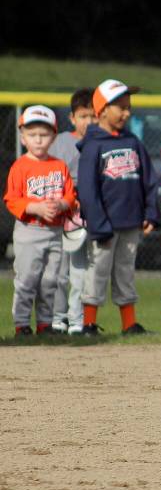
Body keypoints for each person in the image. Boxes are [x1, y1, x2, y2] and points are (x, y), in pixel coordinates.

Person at [77, 79, 159, 336]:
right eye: (120, 107)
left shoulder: (133, 141)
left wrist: (150, 212)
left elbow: (149, 179)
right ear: (101, 110)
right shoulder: (93, 145)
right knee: (97, 272)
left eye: (128, 106)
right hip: (105, 225)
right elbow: (88, 190)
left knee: (125, 272)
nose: (127, 112)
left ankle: (129, 323)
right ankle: (88, 323)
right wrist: (98, 224)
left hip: (131, 222)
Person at [4, 105, 77, 335]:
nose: (38, 140)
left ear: (53, 137)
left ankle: (45, 323)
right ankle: (22, 324)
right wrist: (35, 207)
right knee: (26, 281)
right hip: (29, 232)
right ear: (23, 137)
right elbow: (11, 199)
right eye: (32, 134)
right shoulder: (20, 166)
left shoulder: (59, 166)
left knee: (50, 281)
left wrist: (63, 204)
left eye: (44, 135)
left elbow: (70, 195)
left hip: (54, 234)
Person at [49, 88, 96, 334]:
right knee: (59, 270)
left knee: (81, 270)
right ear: (72, 118)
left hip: (86, 214)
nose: (88, 122)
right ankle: (58, 318)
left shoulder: (98, 141)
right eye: (83, 116)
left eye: (92, 116)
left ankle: (76, 319)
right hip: (62, 212)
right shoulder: (61, 143)